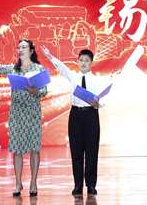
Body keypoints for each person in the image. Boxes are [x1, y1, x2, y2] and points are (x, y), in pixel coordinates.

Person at [0, 37, 47, 197]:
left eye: (24, 47)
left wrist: (36, 92)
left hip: (32, 113)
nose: (20, 50)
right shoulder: (13, 69)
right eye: (19, 47)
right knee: (16, 149)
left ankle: (33, 183)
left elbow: (44, 91)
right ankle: (18, 183)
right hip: (17, 113)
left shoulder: (38, 68)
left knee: (34, 148)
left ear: (31, 51)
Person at [41, 46, 105, 195]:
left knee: (91, 150)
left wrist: (98, 104)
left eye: (87, 61)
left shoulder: (97, 80)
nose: (83, 63)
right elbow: (62, 68)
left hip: (91, 115)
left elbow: (102, 99)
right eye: (81, 60)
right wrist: (50, 56)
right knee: (76, 151)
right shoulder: (73, 77)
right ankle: (78, 185)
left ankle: (91, 185)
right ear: (77, 61)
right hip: (76, 114)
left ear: (92, 63)